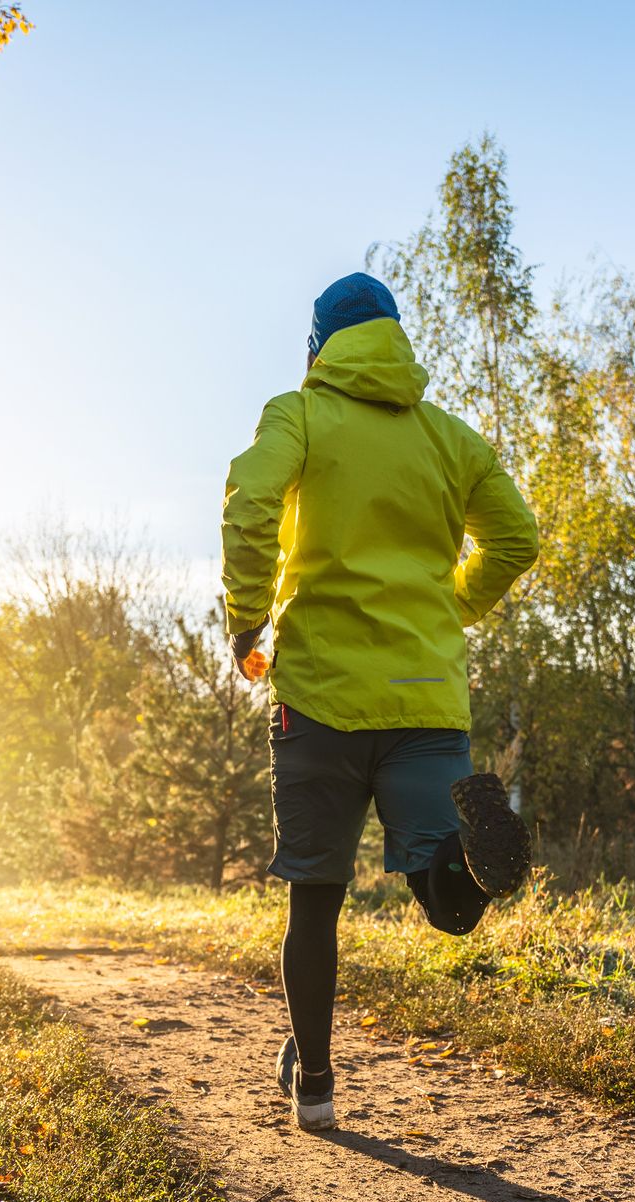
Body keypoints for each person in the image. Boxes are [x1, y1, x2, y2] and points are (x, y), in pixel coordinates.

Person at [221, 270, 540, 1132]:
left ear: (318, 346)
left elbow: (250, 502)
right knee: (438, 892)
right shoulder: (449, 438)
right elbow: (517, 538)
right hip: (426, 700)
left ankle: (316, 1087)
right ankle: (470, 866)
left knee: (314, 898)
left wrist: (246, 622)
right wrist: (453, 606)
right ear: (396, 341)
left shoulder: (298, 415)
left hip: (321, 698)